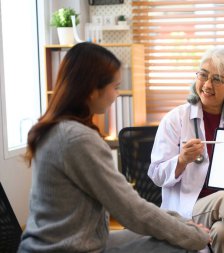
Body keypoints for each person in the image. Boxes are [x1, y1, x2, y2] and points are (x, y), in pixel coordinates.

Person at [18, 42, 209, 253]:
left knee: (176, 234)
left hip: (63, 242)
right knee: (179, 245)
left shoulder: (56, 129)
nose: (117, 95)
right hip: (67, 248)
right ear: (92, 90)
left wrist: (183, 224)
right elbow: (131, 209)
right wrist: (193, 235)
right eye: (115, 87)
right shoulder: (78, 139)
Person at [148, 47, 224, 253]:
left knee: (221, 232)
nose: (207, 85)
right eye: (203, 75)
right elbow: (156, 175)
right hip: (186, 207)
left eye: (218, 79)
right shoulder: (176, 119)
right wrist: (182, 160)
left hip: (222, 212)